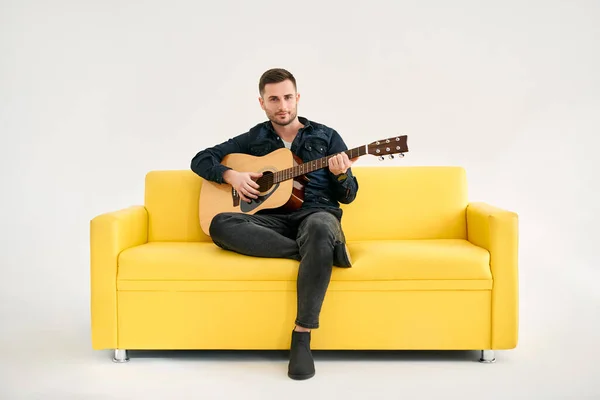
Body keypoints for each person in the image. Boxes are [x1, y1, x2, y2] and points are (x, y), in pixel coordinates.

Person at [190, 68, 359, 380]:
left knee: (320, 229)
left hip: (316, 215)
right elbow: (201, 159)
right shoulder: (255, 138)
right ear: (262, 102)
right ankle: (318, 253)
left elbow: (348, 196)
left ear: (297, 98)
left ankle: (302, 336)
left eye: (288, 97)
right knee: (220, 224)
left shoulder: (327, 136)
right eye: (274, 99)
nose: (282, 105)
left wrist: (341, 174)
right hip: (270, 222)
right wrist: (232, 175)